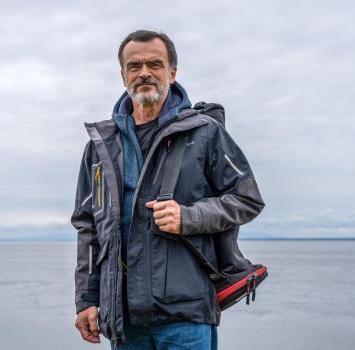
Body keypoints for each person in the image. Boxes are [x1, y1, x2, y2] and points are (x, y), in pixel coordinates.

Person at [72, 30, 264, 349]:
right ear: (123, 76)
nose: (144, 72)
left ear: (172, 73)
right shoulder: (100, 147)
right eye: (134, 66)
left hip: (186, 316)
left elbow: (247, 199)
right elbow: (88, 226)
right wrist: (86, 299)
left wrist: (189, 217)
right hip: (124, 318)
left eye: (155, 64)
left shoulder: (205, 133)